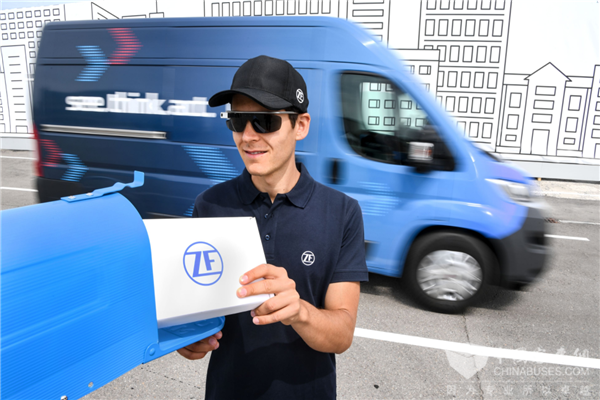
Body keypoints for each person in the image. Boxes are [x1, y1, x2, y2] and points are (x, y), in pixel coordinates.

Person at [177, 55, 368, 399]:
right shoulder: (209, 205)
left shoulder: (342, 212)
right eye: (237, 120)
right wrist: (188, 339)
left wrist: (300, 312)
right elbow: (195, 310)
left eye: (264, 121)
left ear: (301, 125)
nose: (248, 136)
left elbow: (342, 336)